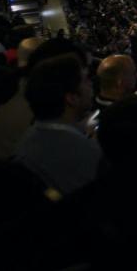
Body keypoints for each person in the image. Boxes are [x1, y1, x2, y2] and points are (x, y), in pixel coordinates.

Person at [14, 53, 102, 195]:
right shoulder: (83, 150)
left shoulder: (32, 135)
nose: (91, 83)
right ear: (72, 98)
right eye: (85, 80)